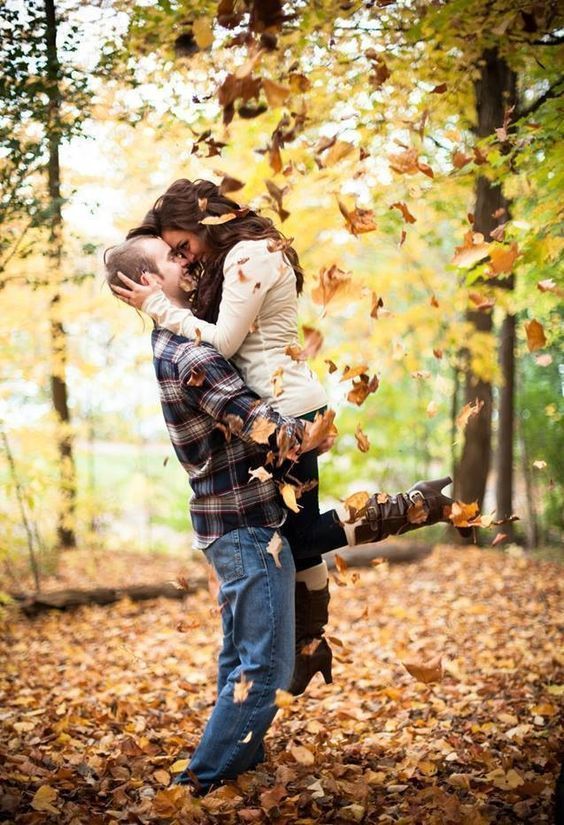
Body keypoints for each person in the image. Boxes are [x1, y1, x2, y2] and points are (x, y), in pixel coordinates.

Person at [105, 234, 463, 793]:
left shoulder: (171, 339)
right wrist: (308, 434)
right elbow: (257, 422)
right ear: (150, 284)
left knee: (241, 658)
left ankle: (236, 762)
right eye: (171, 258)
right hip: (246, 530)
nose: (185, 260)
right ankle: (197, 785)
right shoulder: (192, 353)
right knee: (265, 668)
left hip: (233, 523)